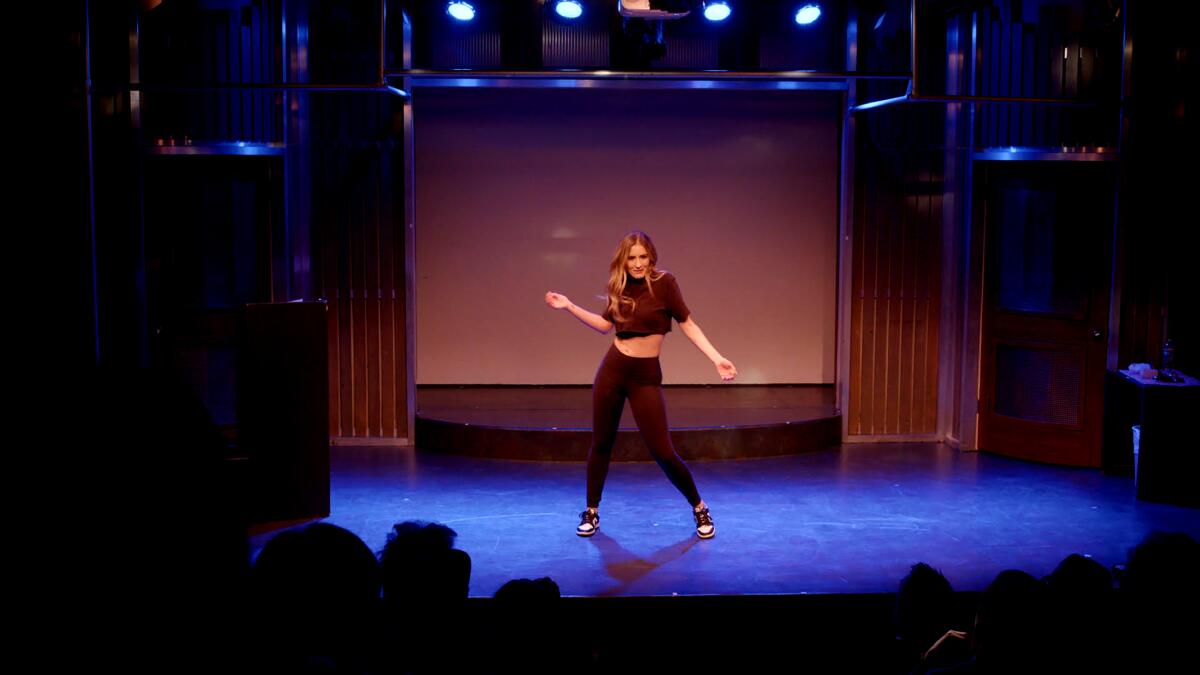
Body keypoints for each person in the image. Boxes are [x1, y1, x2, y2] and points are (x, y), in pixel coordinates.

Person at [545, 230, 737, 539]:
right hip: (613, 370)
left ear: (651, 257)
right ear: (624, 260)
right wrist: (569, 306)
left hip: (645, 377)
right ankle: (591, 511)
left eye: (642, 257)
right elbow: (605, 326)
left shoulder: (665, 284)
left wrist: (716, 358)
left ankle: (699, 507)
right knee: (602, 443)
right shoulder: (619, 286)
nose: (637, 264)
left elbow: (688, 324)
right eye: (631, 258)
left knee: (662, 450)